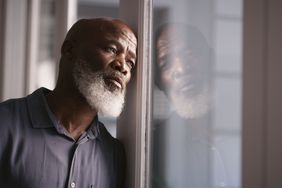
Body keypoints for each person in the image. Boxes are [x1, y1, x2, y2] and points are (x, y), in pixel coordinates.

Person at [0, 17, 137, 188]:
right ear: (69, 50)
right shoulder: (4, 123)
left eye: (131, 63)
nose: (123, 66)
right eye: (111, 49)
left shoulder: (114, 154)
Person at [152, 23, 228, 188]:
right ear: (159, 83)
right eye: (166, 63)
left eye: (189, 52)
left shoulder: (255, 127)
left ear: (211, 59)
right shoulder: (155, 148)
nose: (181, 68)